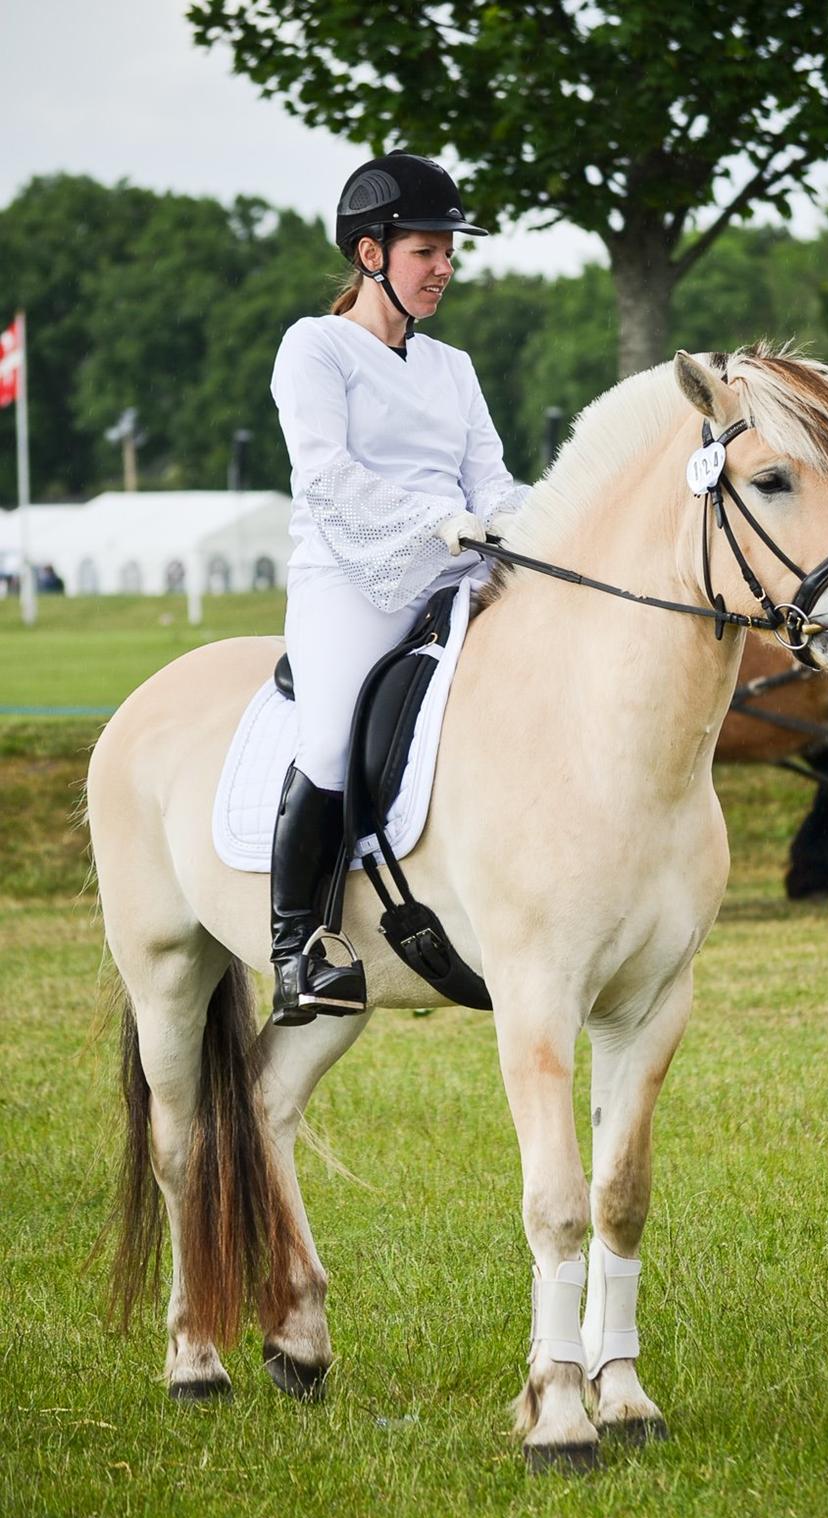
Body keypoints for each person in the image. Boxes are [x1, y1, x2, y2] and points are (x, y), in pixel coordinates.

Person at [268, 151, 527, 1026]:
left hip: (457, 567)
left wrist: (534, 521)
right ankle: (297, 946)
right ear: (371, 253)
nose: (445, 266)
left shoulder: (451, 365)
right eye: (426, 250)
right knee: (335, 741)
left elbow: (488, 480)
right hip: (351, 576)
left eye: (449, 251)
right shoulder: (316, 346)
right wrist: (430, 518)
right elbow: (325, 475)